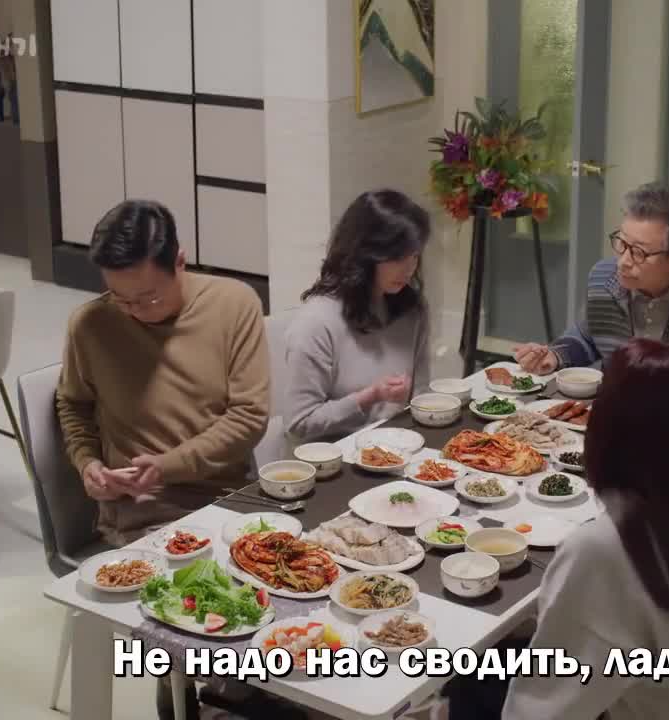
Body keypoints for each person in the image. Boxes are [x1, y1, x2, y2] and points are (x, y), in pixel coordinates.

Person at [448, 339, 669, 720]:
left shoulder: (601, 548)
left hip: (646, 708)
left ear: (606, 427)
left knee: (468, 675)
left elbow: (544, 706)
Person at [54, 200, 275, 720]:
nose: (134, 310)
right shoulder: (91, 324)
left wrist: (169, 463)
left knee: (294, 588)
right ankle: (186, 697)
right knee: (189, 613)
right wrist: (88, 464)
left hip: (233, 498)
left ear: (180, 260)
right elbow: (73, 406)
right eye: (120, 297)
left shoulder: (233, 304)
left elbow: (249, 419)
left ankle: (244, 694)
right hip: (144, 513)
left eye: (147, 296)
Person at [514, 181, 669, 413]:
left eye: (639, 252)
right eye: (622, 243)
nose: (623, 262)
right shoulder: (603, 278)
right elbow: (587, 336)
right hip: (616, 420)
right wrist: (554, 356)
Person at [284, 189, 431, 443]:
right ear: (366, 254)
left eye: (414, 256)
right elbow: (299, 423)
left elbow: (421, 397)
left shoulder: (412, 311)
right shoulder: (316, 323)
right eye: (397, 257)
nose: (409, 269)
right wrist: (369, 397)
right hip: (331, 457)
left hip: (396, 448)